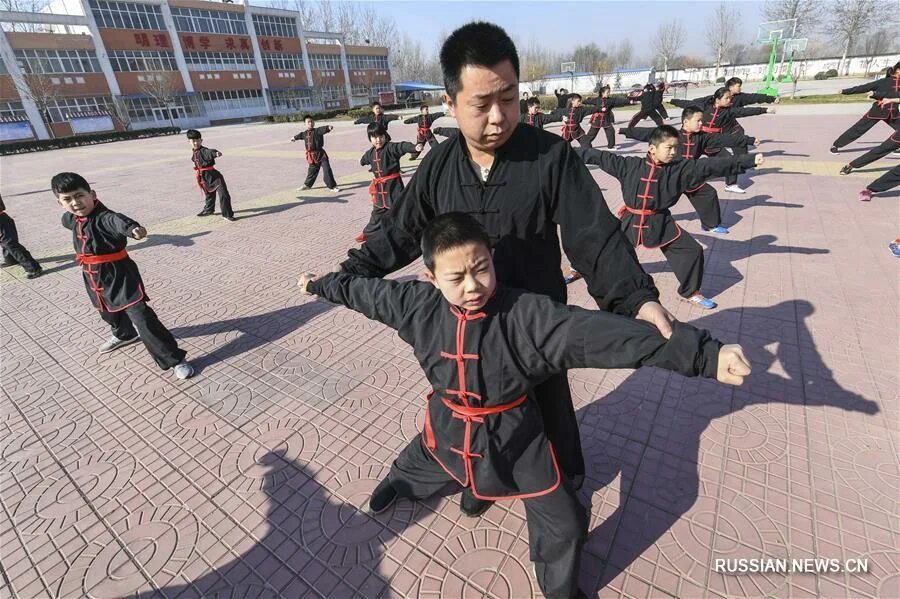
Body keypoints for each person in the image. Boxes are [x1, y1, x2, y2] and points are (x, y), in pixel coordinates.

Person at [299, 212, 751, 599]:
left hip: (516, 435)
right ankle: (401, 484)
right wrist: (319, 284)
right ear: (431, 278)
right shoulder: (412, 304)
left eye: (481, 269)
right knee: (421, 459)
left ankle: (559, 590)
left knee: (566, 523)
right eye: (456, 278)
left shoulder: (527, 315)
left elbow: (607, 336)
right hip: (450, 424)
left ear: (491, 261)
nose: (473, 286)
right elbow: (360, 292)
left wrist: (705, 356)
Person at [336, 21, 675, 519]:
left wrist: (637, 300)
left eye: (510, 98)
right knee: (462, 412)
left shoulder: (550, 156)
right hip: (465, 328)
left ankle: (559, 492)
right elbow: (401, 229)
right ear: (450, 104)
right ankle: (458, 477)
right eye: (481, 104)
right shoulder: (438, 166)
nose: (498, 116)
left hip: (533, 324)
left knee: (547, 417)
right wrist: (354, 270)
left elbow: (594, 237)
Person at [578, 125, 765, 309]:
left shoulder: (680, 169)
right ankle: (577, 267)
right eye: (669, 148)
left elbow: (711, 165)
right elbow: (598, 156)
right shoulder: (629, 165)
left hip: (660, 221)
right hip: (630, 220)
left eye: (677, 147)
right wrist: (563, 152)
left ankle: (691, 292)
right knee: (601, 247)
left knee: (692, 250)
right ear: (652, 148)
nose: (674, 152)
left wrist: (748, 160)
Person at [51, 172, 194, 379]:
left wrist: (135, 230)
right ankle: (125, 335)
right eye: (67, 199)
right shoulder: (70, 218)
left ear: (92, 194)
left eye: (79, 195)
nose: (75, 202)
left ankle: (174, 360)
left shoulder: (106, 217)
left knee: (142, 317)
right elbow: (68, 219)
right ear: (60, 203)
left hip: (120, 274)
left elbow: (120, 222)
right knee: (107, 311)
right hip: (93, 276)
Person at [621, 107, 759, 233]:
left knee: (708, 193)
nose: (701, 124)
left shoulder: (702, 137)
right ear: (686, 122)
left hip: (690, 175)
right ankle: (633, 215)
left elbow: (724, 139)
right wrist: (626, 131)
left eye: (702, 121)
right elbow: (646, 133)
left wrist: (749, 140)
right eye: (698, 121)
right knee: (649, 197)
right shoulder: (672, 135)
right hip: (669, 175)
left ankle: (711, 225)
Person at [671, 87, 773, 194]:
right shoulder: (704, 106)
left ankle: (731, 184)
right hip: (698, 138)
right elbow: (688, 104)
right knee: (683, 161)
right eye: (727, 98)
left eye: (730, 98)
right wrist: (673, 101)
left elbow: (744, 111)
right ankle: (674, 180)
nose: (730, 100)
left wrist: (764, 110)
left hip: (713, 142)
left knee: (728, 158)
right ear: (717, 99)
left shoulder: (728, 112)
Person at [356, 123, 421, 243]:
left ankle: (413, 232)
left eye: (381, 136)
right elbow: (364, 159)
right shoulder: (370, 153)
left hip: (393, 187)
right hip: (379, 190)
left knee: (401, 210)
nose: (378, 140)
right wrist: (361, 161)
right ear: (370, 139)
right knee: (376, 214)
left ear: (385, 136)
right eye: (374, 137)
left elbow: (401, 146)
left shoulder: (390, 148)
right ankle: (367, 233)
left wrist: (414, 147)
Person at [830, 62, 900, 154]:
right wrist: (845, 91)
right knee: (858, 129)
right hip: (878, 111)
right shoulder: (882, 82)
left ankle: (896, 148)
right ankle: (836, 145)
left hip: (893, 114)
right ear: (897, 71)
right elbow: (864, 88)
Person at [186, 129, 235, 221]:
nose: (196, 143)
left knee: (224, 194)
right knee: (209, 194)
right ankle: (209, 209)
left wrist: (215, 153)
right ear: (189, 141)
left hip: (215, 177)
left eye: (197, 140)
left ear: (201, 140)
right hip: (204, 177)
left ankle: (227, 214)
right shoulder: (194, 152)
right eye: (193, 141)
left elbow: (209, 152)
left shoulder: (204, 150)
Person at [291, 115, 342, 192]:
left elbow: (323, 129)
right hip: (311, 156)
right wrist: (294, 138)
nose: (310, 123)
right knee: (312, 171)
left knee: (327, 169)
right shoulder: (304, 134)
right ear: (305, 124)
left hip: (321, 155)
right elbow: (300, 135)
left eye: (312, 121)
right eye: (308, 122)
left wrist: (328, 127)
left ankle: (333, 186)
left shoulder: (317, 131)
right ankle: (307, 185)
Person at [0, 195, 42, 279]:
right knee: (5, 242)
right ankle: (11, 260)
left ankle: (34, 268)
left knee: (10, 243)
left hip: (2, 219)